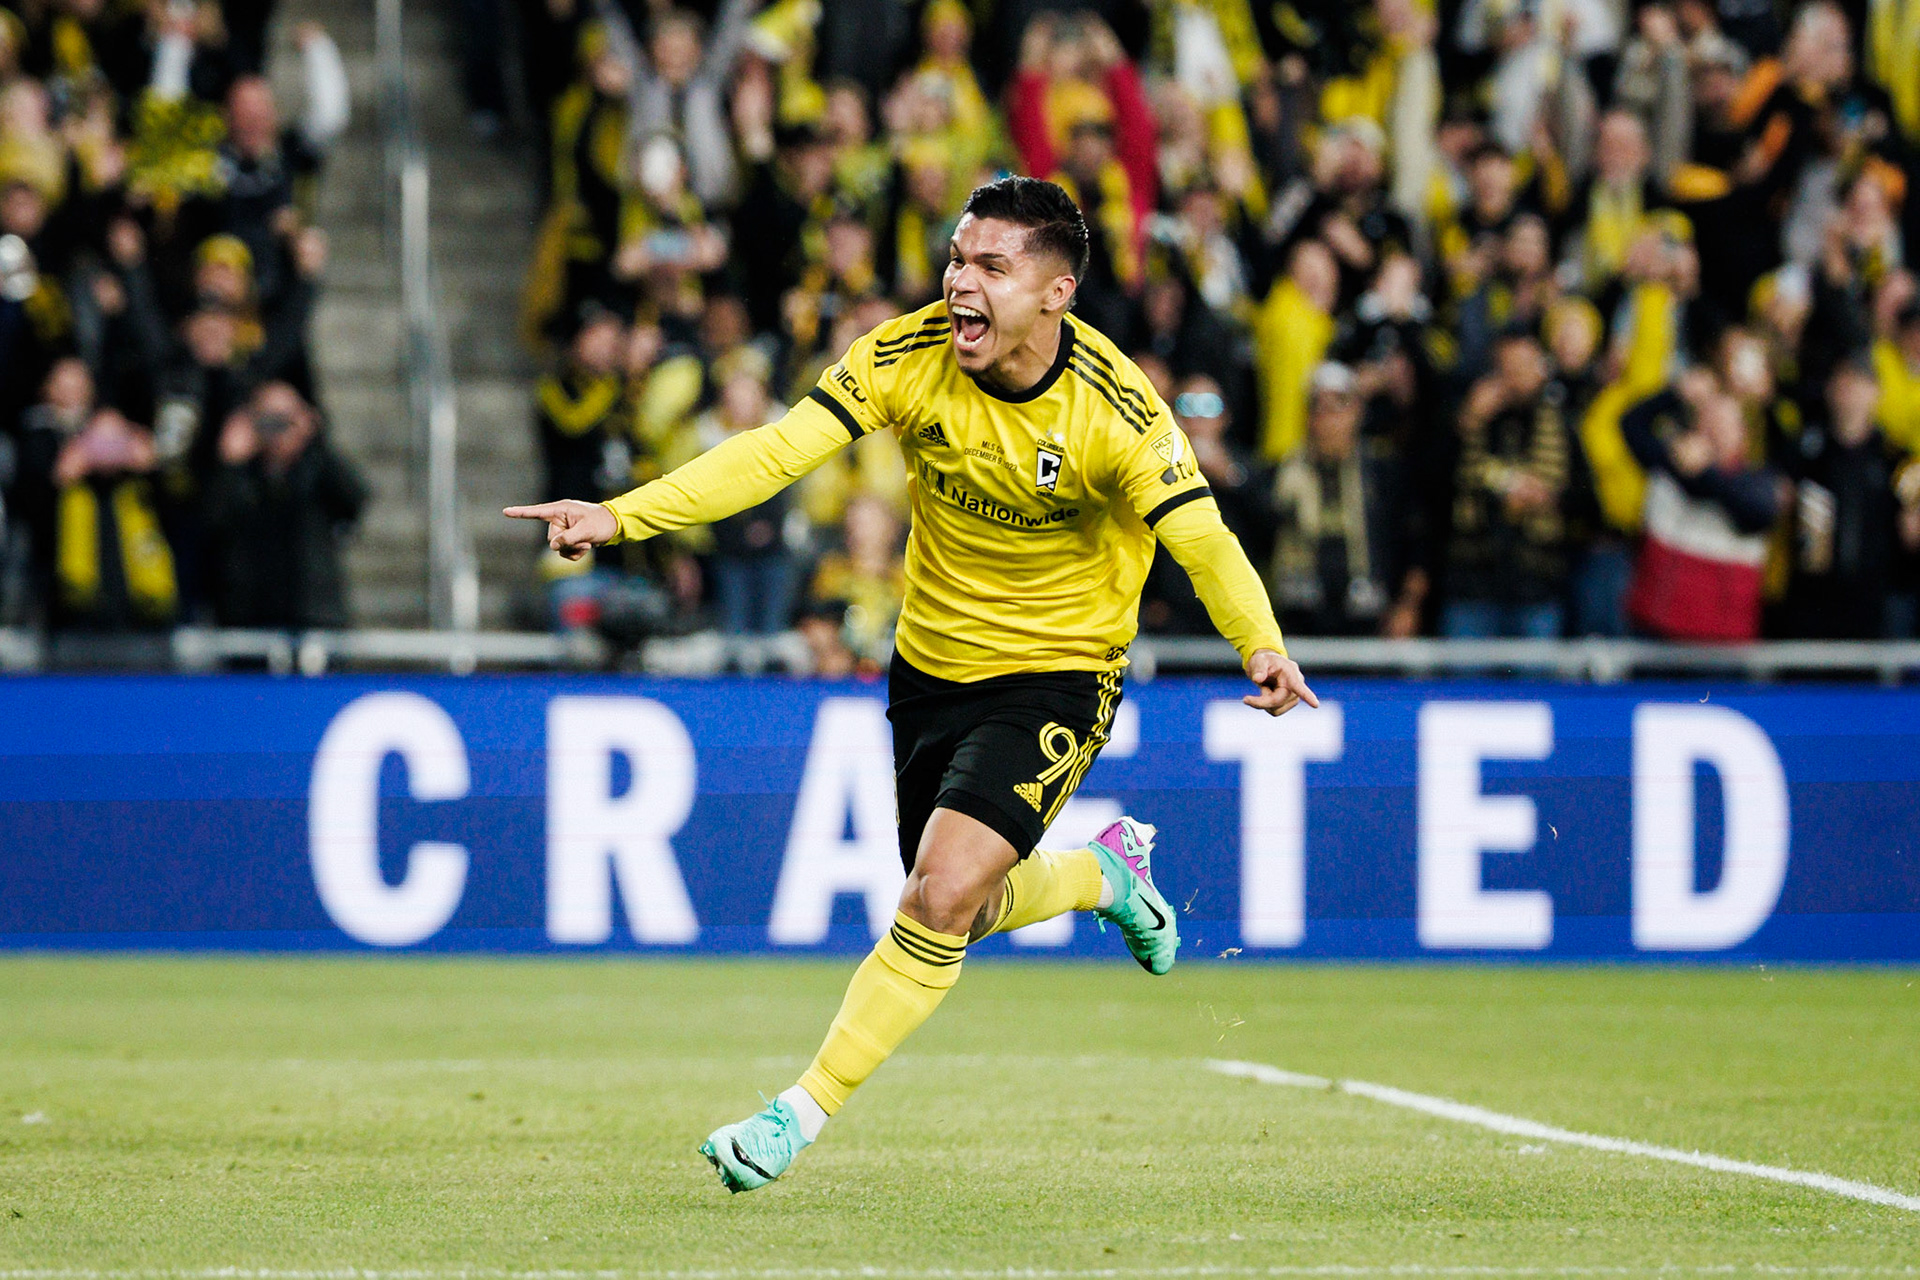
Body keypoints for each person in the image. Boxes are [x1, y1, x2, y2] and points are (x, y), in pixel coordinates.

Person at [505, 177, 1314, 1191]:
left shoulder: (1118, 412)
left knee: (938, 893)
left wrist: (1260, 641)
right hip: (929, 667)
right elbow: (775, 452)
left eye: (991, 267)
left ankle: (794, 1114)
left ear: (1056, 292)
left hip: (1058, 672)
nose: (959, 283)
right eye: (956, 259)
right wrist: (623, 515)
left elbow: (1201, 537)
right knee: (954, 903)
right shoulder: (907, 353)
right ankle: (1102, 876)